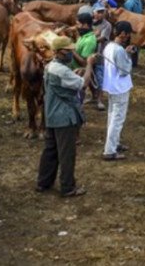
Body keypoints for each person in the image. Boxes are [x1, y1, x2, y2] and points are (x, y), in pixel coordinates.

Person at [36, 36, 94, 197]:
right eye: (68, 51)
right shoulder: (61, 70)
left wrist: (74, 74)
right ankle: (68, 187)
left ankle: (44, 182)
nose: (71, 53)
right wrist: (89, 64)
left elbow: (64, 80)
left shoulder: (51, 66)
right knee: (67, 153)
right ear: (60, 52)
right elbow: (83, 84)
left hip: (51, 115)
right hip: (64, 118)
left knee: (50, 150)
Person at [102, 21, 135, 161]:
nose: (128, 37)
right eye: (128, 34)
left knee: (112, 116)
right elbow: (124, 70)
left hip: (111, 86)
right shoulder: (119, 50)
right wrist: (129, 56)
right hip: (120, 87)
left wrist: (125, 53)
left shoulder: (109, 46)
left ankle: (114, 144)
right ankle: (109, 150)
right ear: (123, 34)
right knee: (117, 119)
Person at [71, 12, 102, 109]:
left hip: (79, 73)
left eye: (79, 24)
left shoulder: (89, 41)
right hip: (74, 71)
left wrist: (71, 50)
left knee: (77, 99)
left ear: (85, 25)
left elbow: (84, 63)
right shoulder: (82, 35)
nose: (77, 27)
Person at [92, 5, 112, 110]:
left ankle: (99, 99)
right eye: (98, 12)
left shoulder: (107, 25)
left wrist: (89, 40)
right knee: (89, 76)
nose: (100, 14)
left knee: (99, 78)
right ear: (93, 13)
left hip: (100, 54)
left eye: (102, 12)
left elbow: (102, 38)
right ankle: (93, 96)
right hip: (89, 54)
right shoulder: (89, 23)